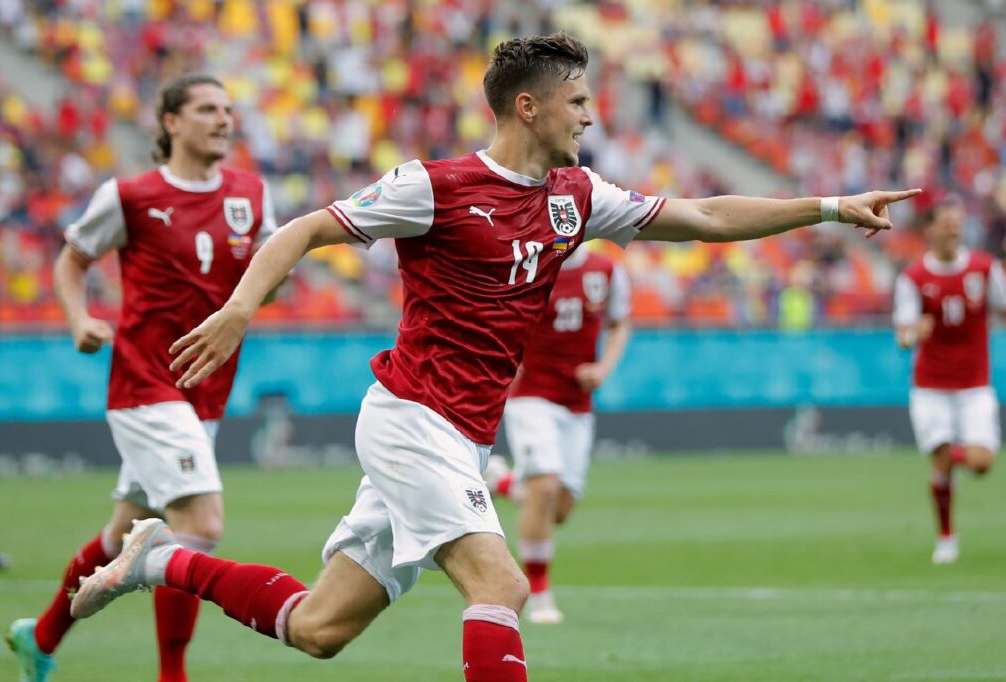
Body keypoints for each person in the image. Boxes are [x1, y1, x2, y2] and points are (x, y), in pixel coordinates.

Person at [69, 33, 918, 682]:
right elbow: (305, 229)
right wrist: (239, 310)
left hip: (466, 433)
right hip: (412, 419)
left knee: (318, 629)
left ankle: (159, 558)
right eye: (577, 101)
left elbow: (704, 218)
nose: (590, 117)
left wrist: (830, 206)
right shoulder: (433, 187)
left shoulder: (577, 197)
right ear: (528, 107)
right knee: (501, 587)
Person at [6, 74, 277, 682]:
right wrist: (79, 318)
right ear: (171, 122)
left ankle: (39, 637)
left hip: (206, 388)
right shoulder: (130, 195)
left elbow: (268, 277)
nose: (223, 119)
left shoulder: (252, 194)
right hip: (145, 386)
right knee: (199, 525)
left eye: (228, 109)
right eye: (207, 109)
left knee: (119, 534)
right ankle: (171, 675)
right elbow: (72, 260)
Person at [485, 243, 631, 624]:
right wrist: (505, 359)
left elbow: (620, 323)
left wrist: (603, 369)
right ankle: (539, 595)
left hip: (577, 403)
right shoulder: (528, 265)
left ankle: (502, 481)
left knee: (558, 508)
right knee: (545, 486)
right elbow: (495, 315)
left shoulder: (606, 270)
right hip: (530, 396)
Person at [893, 196, 1006, 564]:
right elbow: (903, 335)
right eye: (946, 224)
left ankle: (947, 471)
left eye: (957, 224)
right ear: (929, 230)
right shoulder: (914, 277)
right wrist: (915, 333)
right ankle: (946, 536)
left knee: (980, 462)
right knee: (943, 459)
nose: (953, 230)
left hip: (974, 383)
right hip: (931, 386)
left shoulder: (984, 268)